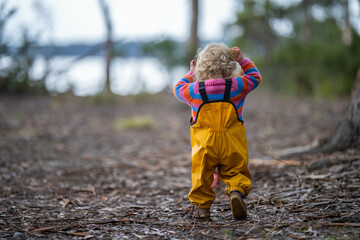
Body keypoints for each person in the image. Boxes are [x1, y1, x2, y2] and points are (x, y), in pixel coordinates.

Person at [173, 43, 262, 220]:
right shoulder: (237, 86)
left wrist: (191, 74)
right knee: (236, 170)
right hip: (232, 143)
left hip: (205, 146)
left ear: (201, 67)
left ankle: (203, 208)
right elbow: (255, 77)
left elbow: (177, 88)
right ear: (229, 66)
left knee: (202, 175)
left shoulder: (194, 91)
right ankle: (236, 191)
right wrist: (243, 61)